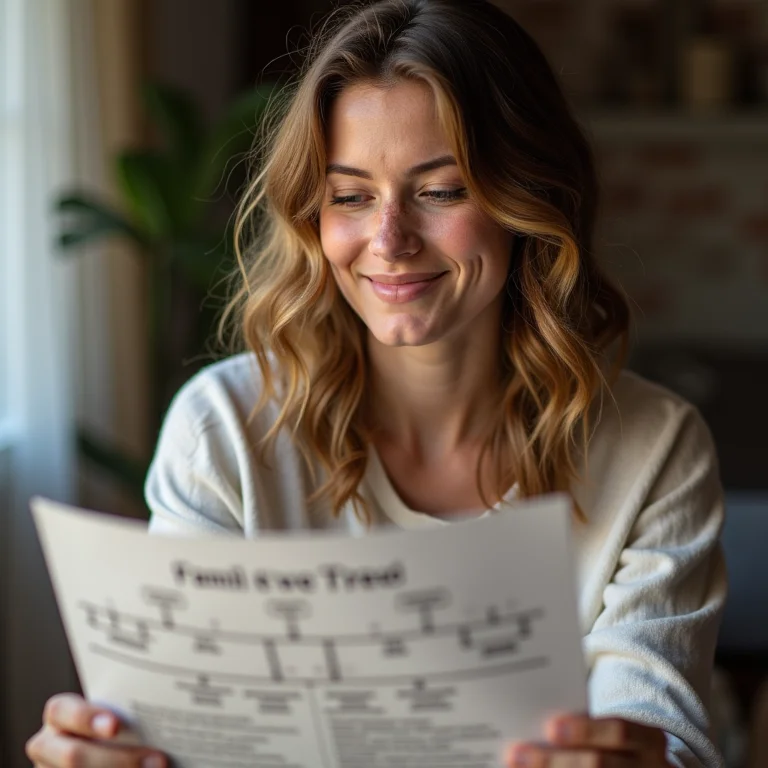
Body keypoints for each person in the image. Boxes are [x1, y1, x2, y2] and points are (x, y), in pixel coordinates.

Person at [26, 0, 727, 766]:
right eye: (351, 196)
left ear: (530, 201)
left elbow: (669, 737)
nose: (389, 241)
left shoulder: (656, 447)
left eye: (441, 190)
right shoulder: (224, 430)